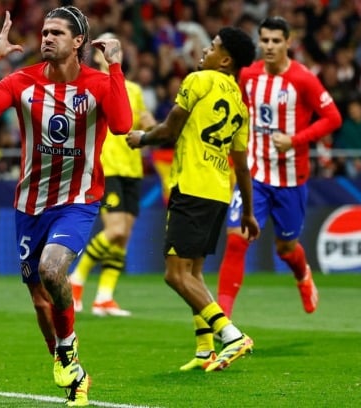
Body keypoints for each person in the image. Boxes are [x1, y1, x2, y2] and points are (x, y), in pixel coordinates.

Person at [0, 7, 132, 406]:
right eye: (45, 31)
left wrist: (117, 66)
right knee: (39, 299)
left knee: (52, 269)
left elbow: (122, 125)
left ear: (78, 43)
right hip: (29, 204)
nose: (47, 38)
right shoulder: (21, 81)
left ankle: (67, 348)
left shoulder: (99, 84)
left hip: (77, 200)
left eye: (57, 32)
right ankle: (73, 375)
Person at [126, 26, 259, 372]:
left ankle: (231, 335)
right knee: (194, 274)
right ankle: (205, 350)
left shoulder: (199, 81)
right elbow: (242, 167)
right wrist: (247, 211)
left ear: (225, 59)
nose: (204, 50)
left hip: (192, 186)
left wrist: (141, 138)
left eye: (212, 46)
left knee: (175, 275)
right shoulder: (240, 105)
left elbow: (169, 130)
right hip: (219, 190)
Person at [216, 16, 343, 318]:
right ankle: (222, 322)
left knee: (286, 248)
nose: (270, 46)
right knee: (236, 238)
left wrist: (296, 139)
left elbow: (333, 118)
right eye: (265, 40)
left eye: (276, 41)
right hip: (255, 176)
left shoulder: (303, 79)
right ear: (259, 42)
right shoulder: (248, 75)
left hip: (290, 179)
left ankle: (302, 276)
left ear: (288, 42)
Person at [69, 32, 157, 317]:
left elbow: (145, 123)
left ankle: (104, 297)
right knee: (115, 230)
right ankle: (76, 280)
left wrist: (150, 125)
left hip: (133, 168)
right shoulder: (91, 85)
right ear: (95, 54)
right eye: (103, 45)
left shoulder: (133, 89)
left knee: (123, 237)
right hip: (107, 166)